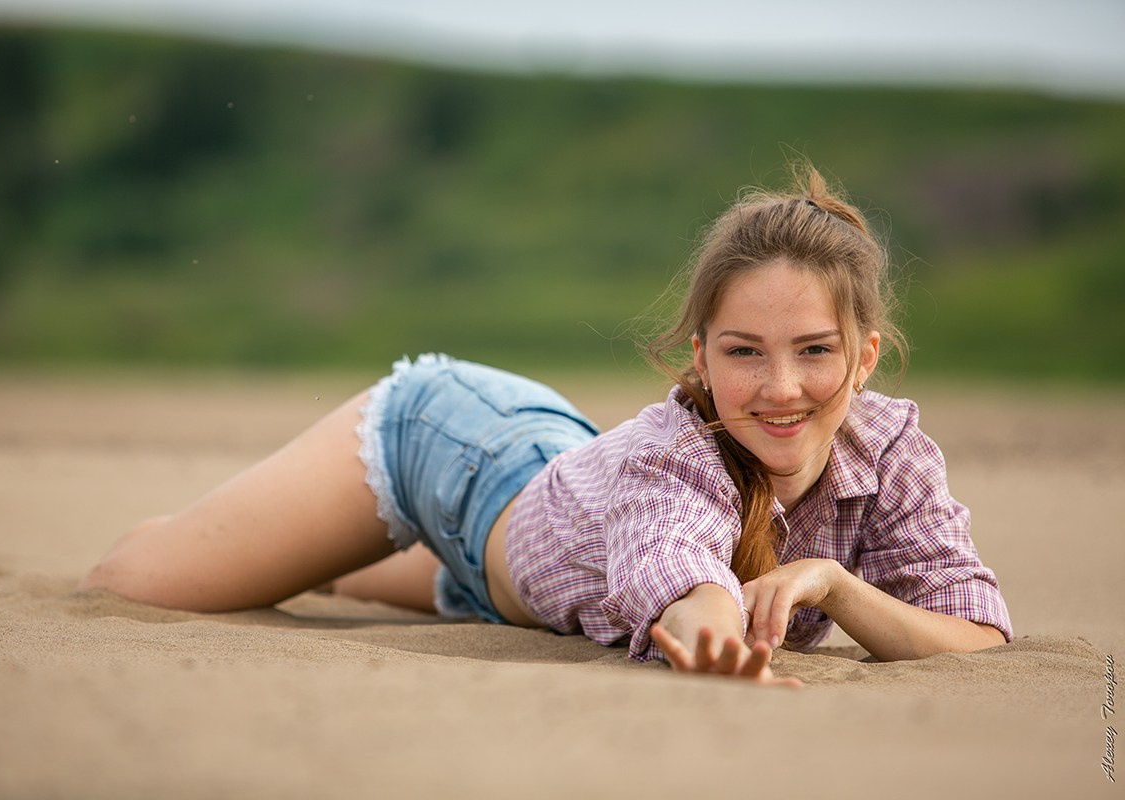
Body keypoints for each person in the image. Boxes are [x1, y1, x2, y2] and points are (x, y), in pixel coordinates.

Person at [80, 164, 1012, 685]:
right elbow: (685, 588)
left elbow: (976, 630)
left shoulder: (890, 452)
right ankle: (247, 534)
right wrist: (716, 638)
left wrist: (836, 586)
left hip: (537, 548)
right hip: (452, 452)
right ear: (698, 356)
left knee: (493, 574)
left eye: (814, 350)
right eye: (742, 352)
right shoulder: (672, 458)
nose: (779, 389)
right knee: (136, 580)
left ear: (866, 356)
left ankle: (376, 556)